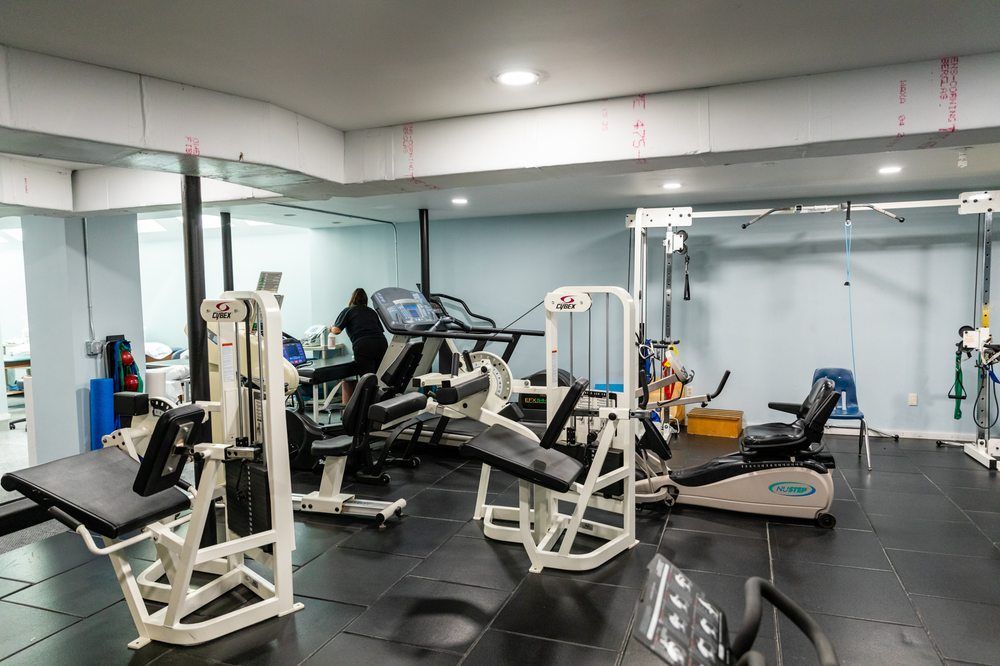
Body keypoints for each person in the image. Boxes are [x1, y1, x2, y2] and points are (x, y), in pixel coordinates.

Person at [330, 288, 387, 403]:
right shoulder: (371, 312)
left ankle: (365, 410)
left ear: (352, 299)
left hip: (363, 345)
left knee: (367, 379)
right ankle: (379, 406)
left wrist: (329, 328)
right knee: (378, 378)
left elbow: (336, 330)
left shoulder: (348, 311)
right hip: (381, 344)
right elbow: (380, 330)